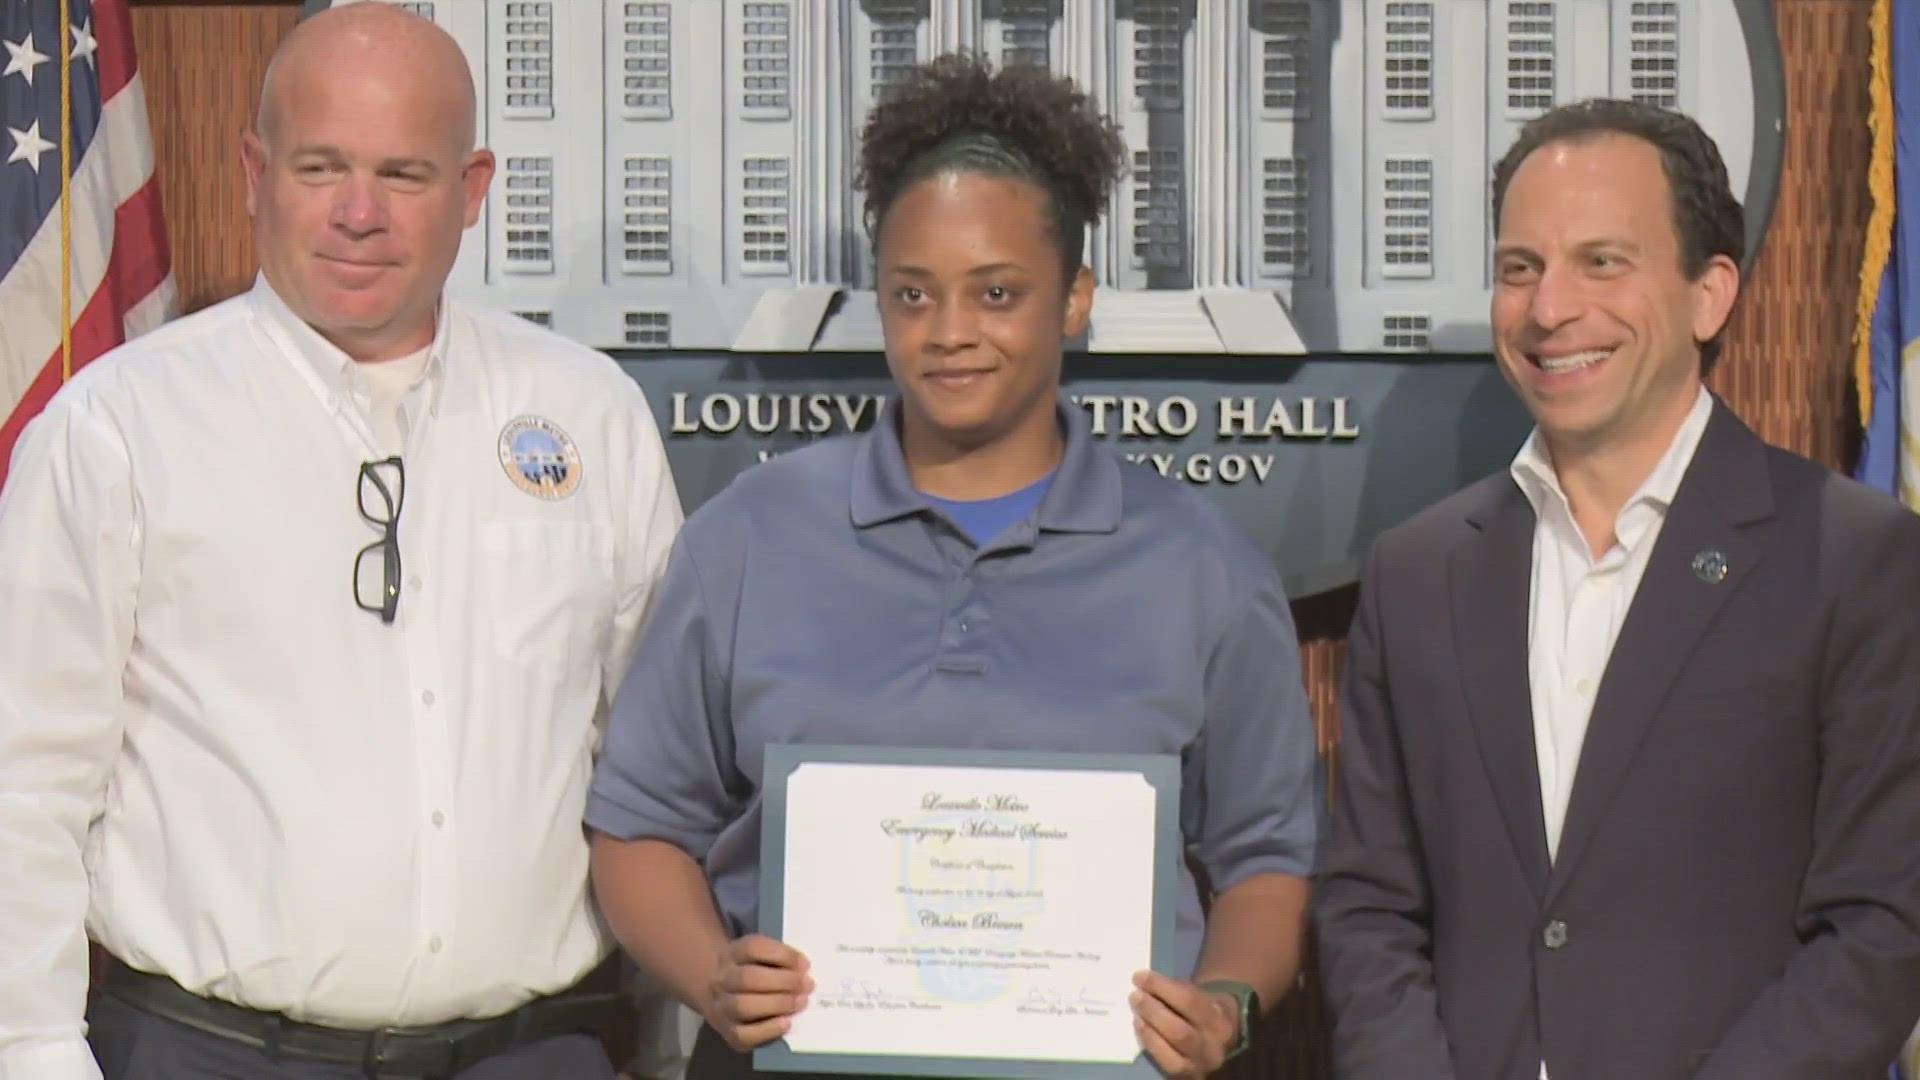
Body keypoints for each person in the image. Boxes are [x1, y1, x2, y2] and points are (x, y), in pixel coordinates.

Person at [584, 52, 1322, 1080]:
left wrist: (1229, 1003)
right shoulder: (748, 537)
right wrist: (712, 973)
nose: (950, 332)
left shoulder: (1203, 567)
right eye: (913, 294)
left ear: (1074, 299)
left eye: (998, 292)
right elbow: (638, 830)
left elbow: (1268, 860)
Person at [0, 5, 684, 1079]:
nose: (358, 213)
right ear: (253, 171)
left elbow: (659, 766)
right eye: (321, 168)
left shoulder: (590, 415)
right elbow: (23, 776)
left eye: (404, 175)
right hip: (208, 1054)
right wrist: (31, 1049)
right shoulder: (118, 428)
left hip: (538, 1051)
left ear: (472, 191)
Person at [1312, 97, 1920, 1080]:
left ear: (1710, 294)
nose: (1550, 309)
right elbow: (1370, 907)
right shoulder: (1417, 571)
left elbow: (1885, 925)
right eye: (1521, 268)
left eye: (1603, 262)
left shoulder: (1854, 558)